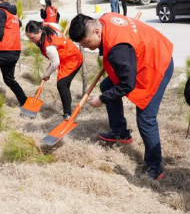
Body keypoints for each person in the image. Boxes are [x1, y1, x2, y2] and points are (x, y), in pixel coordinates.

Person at [69, 13, 174, 180]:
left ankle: (155, 166)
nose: (88, 47)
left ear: (97, 31)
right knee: (106, 86)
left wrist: (101, 100)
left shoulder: (119, 49)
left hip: (157, 63)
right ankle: (120, 133)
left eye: (87, 43)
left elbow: (127, 84)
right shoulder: (105, 19)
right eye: (83, 45)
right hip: (143, 54)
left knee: (146, 119)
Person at [25, 20, 83, 119]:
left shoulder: (49, 46)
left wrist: (47, 74)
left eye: (33, 38)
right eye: (29, 38)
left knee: (62, 84)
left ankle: (67, 114)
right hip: (64, 55)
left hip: (72, 59)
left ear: (39, 31)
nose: (31, 40)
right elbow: (56, 26)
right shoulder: (45, 26)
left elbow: (55, 63)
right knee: (63, 84)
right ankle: (67, 112)